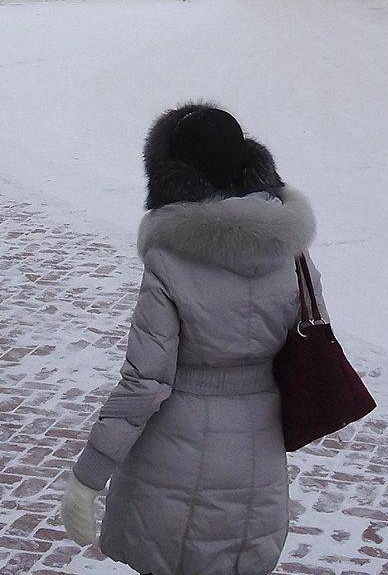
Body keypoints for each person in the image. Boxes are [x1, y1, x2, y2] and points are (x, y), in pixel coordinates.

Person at [60, 104, 317, 574]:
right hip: (259, 450)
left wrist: (88, 477)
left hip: (172, 458)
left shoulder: (169, 258)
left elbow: (144, 382)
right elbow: (306, 334)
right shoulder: (291, 252)